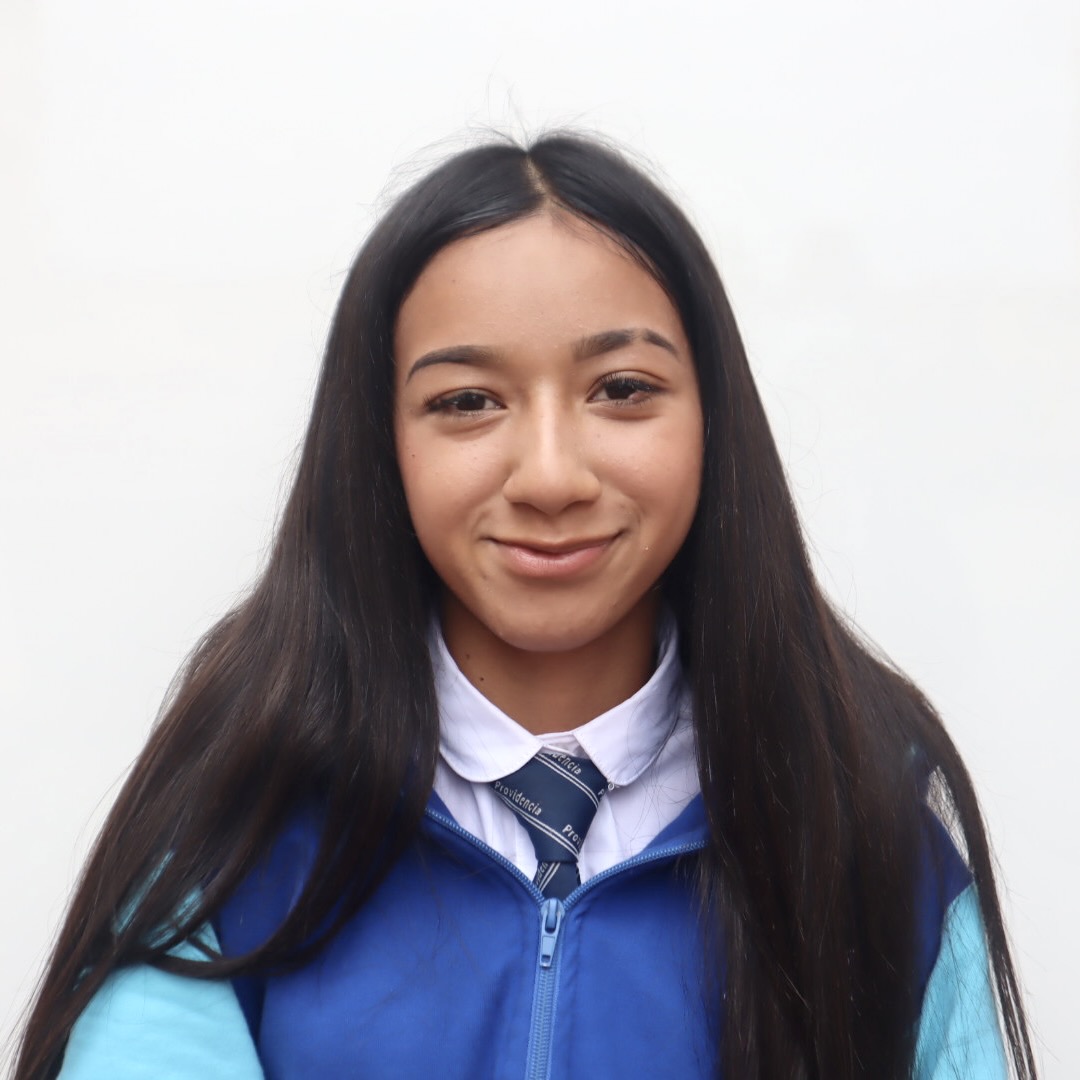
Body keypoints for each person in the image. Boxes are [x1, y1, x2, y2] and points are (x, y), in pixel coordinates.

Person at [16, 133, 1036, 1079]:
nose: (550, 477)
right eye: (467, 402)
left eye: (622, 388)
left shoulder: (867, 824)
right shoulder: (234, 826)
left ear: (714, 420)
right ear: (381, 443)